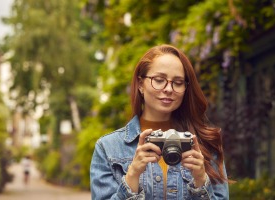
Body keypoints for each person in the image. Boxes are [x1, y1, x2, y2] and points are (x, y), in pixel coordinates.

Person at [90, 44, 229, 199]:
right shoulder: (108, 148)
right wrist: (132, 176)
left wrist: (201, 181)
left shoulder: (205, 145)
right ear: (141, 84)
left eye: (177, 82)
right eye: (159, 80)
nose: (169, 89)